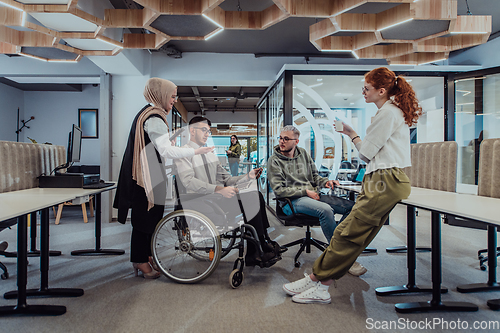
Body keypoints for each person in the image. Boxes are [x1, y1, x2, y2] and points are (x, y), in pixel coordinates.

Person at [282, 67, 421, 304]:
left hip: (384, 180)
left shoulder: (387, 113)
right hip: (386, 180)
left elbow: (366, 154)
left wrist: (353, 135)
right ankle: (318, 281)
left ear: (381, 90)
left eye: (367, 88)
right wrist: (352, 133)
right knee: (355, 236)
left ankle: (319, 282)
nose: (363, 92)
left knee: (347, 235)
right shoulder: (391, 112)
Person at [113, 78, 214, 279]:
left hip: (148, 174)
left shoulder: (149, 114)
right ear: (160, 95)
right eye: (172, 95)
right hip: (146, 178)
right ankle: (139, 260)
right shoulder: (154, 118)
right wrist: (195, 152)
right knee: (145, 219)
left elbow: (158, 146)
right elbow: (165, 151)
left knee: (151, 218)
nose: (174, 100)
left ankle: (146, 256)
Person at [175, 116, 281, 267]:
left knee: (255, 195)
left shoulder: (210, 155)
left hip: (214, 199)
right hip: (197, 201)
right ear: (192, 130)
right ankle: (258, 248)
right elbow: (189, 182)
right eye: (204, 130)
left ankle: (261, 243)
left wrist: (248, 176)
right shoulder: (183, 153)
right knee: (251, 199)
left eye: (208, 131)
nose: (207, 134)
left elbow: (227, 179)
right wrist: (219, 190)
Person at [267, 125, 364, 276]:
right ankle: (340, 257)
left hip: (313, 195)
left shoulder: (303, 154)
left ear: (296, 141)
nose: (281, 141)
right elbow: (279, 190)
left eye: (286, 139)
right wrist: (305, 191)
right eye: (280, 138)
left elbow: (315, 176)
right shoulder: (274, 161)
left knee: (353, 208)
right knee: (326, 210)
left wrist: (325, 182)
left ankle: (337, 243)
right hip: (291, 202)